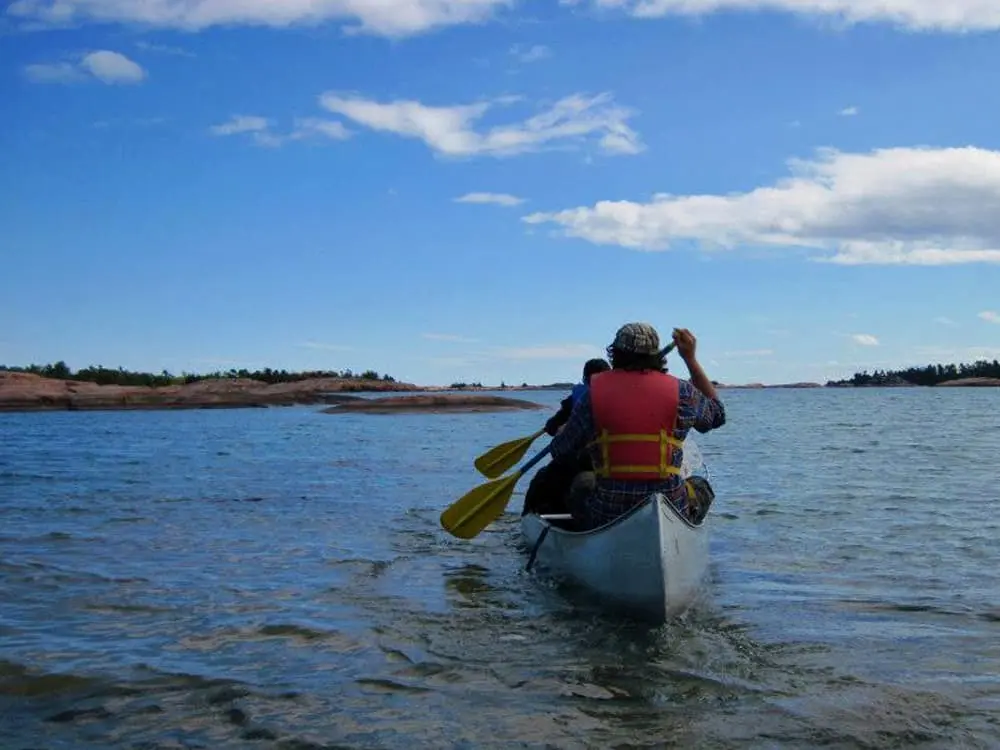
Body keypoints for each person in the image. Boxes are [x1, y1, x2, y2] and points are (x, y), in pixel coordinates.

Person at [549, 322, 726, 530]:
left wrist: (567, 430)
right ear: (656, 356)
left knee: (582, 482)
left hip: (608, 512)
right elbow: (717, 415)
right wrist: (690, 359)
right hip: (671, 506)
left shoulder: (592, 397)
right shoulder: (683, 392)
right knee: (700, 486)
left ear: (615, 355)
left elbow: (560, 451)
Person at [520, 357, 610, 518]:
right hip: (610, 462)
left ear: (585, 379)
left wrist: (553, 427)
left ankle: (531, 514)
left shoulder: (579, 399)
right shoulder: (617, 397)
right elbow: (555, 425)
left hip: (583, 462)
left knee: (542, 478)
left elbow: (554, 432)